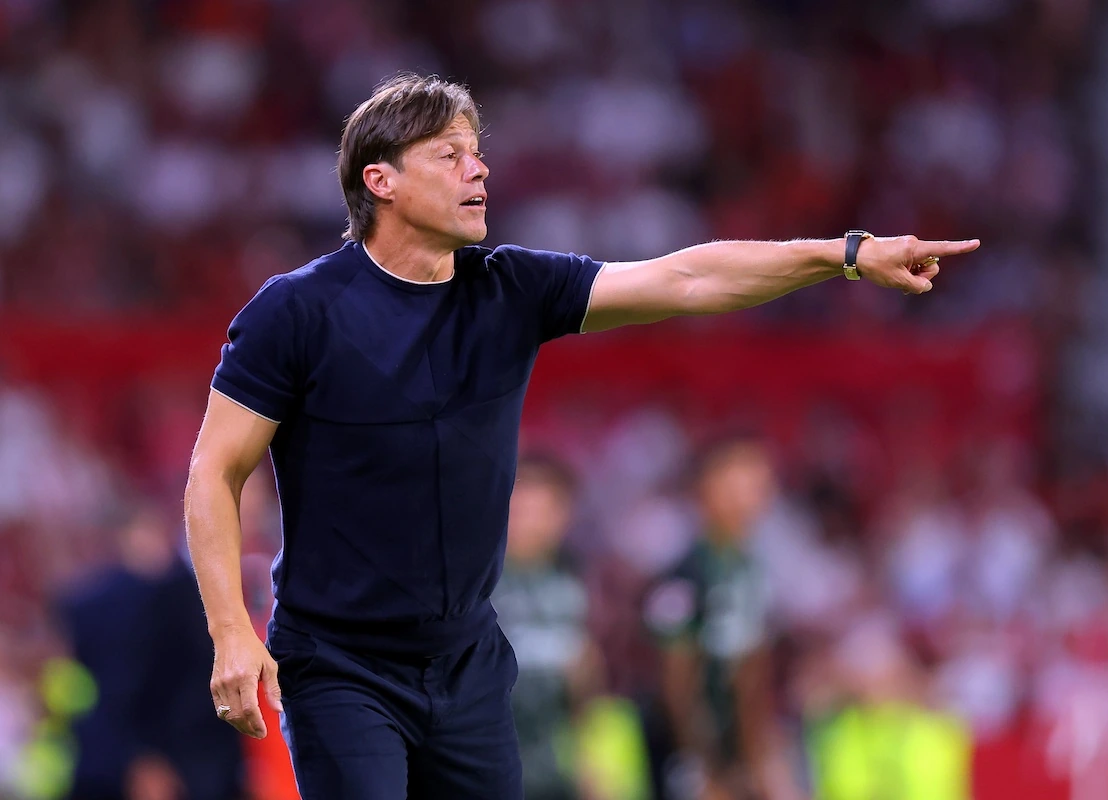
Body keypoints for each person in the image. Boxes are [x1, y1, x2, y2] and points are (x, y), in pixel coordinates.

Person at [183, 72, 979, 800]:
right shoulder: (295, 313)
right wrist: (230, 630)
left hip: (467, 663)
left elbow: (687, 277)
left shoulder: (511, 289)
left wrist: (846, 255)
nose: (478, 169)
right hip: (340, 665)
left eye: (477, 151)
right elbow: (214, 472)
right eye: (450, 154)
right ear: (380, 180)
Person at [642, 435, 799, 800]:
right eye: (738, 482)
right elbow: (676, 684)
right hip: (688, 759)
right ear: (705, 488)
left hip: (736, 755)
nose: (752, 494)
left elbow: (751, 671)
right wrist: (701, 767)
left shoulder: (749, 568)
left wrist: (760, 755)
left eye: (760, 482)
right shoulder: (685, 575)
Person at [58, 505, 245, 800]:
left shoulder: (179, 595)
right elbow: (125, 690)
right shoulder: (113, 607)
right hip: (168, 755)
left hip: (189, 751)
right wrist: (144, 756)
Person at [492, 453, 594, 800]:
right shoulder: (476, 591)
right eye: (520, 510)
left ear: (564, 516)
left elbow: (582, 675)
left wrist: (588, 758)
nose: (530, 524)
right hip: (489, 764)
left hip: (554, 768)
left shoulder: (570, 588)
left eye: (543, 511)